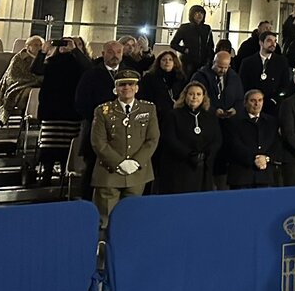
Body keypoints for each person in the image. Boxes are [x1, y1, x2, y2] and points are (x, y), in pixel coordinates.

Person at [90, 70, 159, 228]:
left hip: (137, 173)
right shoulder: (103, 111)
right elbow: (98, 142)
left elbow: (152, 139)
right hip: (109, 173)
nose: (126, 87)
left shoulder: (148, 109)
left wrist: (136, 161)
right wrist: (119, 163)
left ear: (137, 88)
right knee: (105, 220)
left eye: (131, 84)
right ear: (115, 89)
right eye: (122, 84)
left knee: (132, 219)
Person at [30, 36, 91, 182]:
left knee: (68, 148)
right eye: (62, 43)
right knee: (49, 148)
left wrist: (75, 51)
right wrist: (43, 51)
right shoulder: (51, 62)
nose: (65, 46)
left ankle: (65, 175)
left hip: (71, 111)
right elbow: (36, 70)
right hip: (52, 110)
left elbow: (89, 68)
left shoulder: (79, 64)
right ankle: (46, 176)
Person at [74, 39, 126, 199]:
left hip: (122, 132)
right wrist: (101, 121)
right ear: (103, 54)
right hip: (97, 129)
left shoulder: (128, 74)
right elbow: (81, 103)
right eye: (110, 52)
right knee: (92, 171)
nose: (114, 56)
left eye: (118, 52)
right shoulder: (91, 74)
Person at [157, 81, 222, 194]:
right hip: (179, 168)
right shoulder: (173, 115)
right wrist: (189, 154)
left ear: (203, 97)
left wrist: (207, 154)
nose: (194, 97)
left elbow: (217, 139)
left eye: (198, 94)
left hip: (203, 168)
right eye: (191, 94)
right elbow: (169, 139)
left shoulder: (210, 116)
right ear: (185, 95)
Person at [225, 89, 280, 189]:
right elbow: (234, 145)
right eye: (253, 100)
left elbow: (276, 144)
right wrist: (254, 159)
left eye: (260, 100)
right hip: (241, 176)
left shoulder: (271, 122)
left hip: (265, 175)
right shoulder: (234, 121)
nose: (257, 104)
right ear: (245, 103)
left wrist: (266, 158)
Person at [238, 31, 292, 109]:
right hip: (252, 104)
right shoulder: (247, 62)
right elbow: (242, 84)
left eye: (275, 41)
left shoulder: (282, 62)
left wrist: (275, 99)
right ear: (261, 42)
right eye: (269, 41)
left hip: (273, 105)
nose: (273, 44)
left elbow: (285, 84)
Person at [0, 35, 43, 123]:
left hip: (38, 84)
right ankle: (27, 117)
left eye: (41, 45)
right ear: (28, 46)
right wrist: (34, 80)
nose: (39, 47)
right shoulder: (19, 58)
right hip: (19, 86)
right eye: (36, 45)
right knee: (29, 92)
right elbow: (13, 75)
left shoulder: (44, 58)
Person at [190, 51, 244, 119]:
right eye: (220, 67)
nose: (223, 70)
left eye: (226, 67)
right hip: (207, 118)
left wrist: (235, 109)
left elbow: (240, 98)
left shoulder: (234, 77)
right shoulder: (200, 77)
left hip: (230, 121)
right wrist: (213, 110)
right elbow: (195, 99)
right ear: (213, 63)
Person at [169, 6, 215, 77]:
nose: (199, 15)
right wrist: (184, 50)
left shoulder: (207, 28)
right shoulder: (185, 27)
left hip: (204, 61)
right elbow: (173, 44)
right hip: (189, 61)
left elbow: (210, 45)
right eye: (196, 13)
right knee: (188, 80)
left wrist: (210, 59)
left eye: (201, 13)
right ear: (192, 14)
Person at [138, 50, 187, 117]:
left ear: (175, 63)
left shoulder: (181, 78)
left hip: (175, 112)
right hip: (155, 112)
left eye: (170, 60)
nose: (167, 62)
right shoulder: (149, 77)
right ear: (159, 62)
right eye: (164, 60)